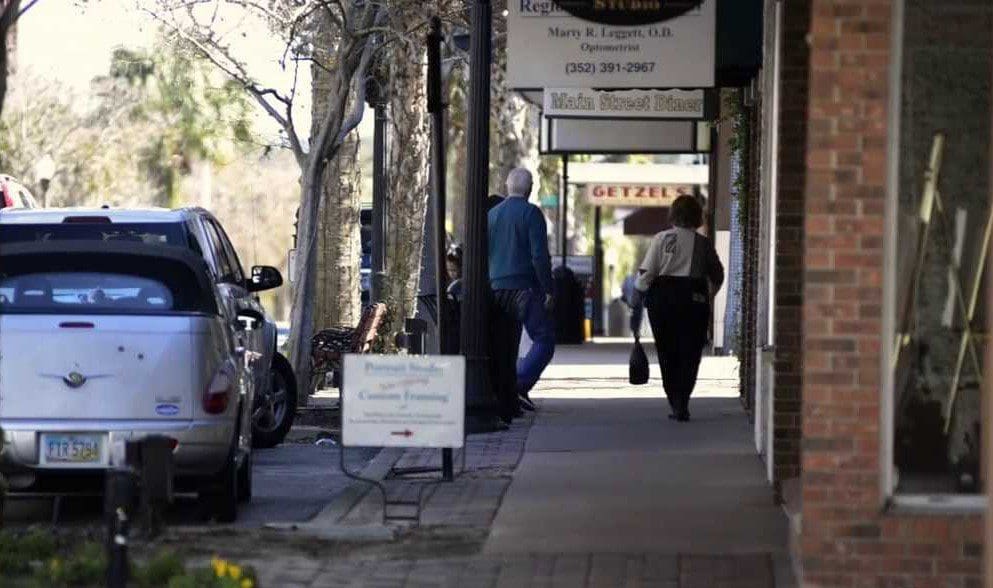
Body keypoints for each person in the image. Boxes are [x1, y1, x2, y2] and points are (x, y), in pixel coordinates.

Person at [631, 195, 724, 422]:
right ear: (697, 216)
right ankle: (683, 398)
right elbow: (717, 274)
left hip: (662, 299)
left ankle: (674, 400)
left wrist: (638, 294)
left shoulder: (661, 239)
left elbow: (647, 273)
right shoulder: (702, 243)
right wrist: (708, 295)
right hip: (694, 299)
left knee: (667, 351)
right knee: (690, 353)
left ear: (673, 214)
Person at [488, 169, 555, 423]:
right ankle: (519, 384)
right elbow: (539, 256)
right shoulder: (532, 214)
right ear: (530, 188)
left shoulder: (492, 214)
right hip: (523, 288)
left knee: (505, 346)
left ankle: (507, 396)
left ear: (507, 186)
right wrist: (548, 289)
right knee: (544, 338)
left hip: (496, 288)